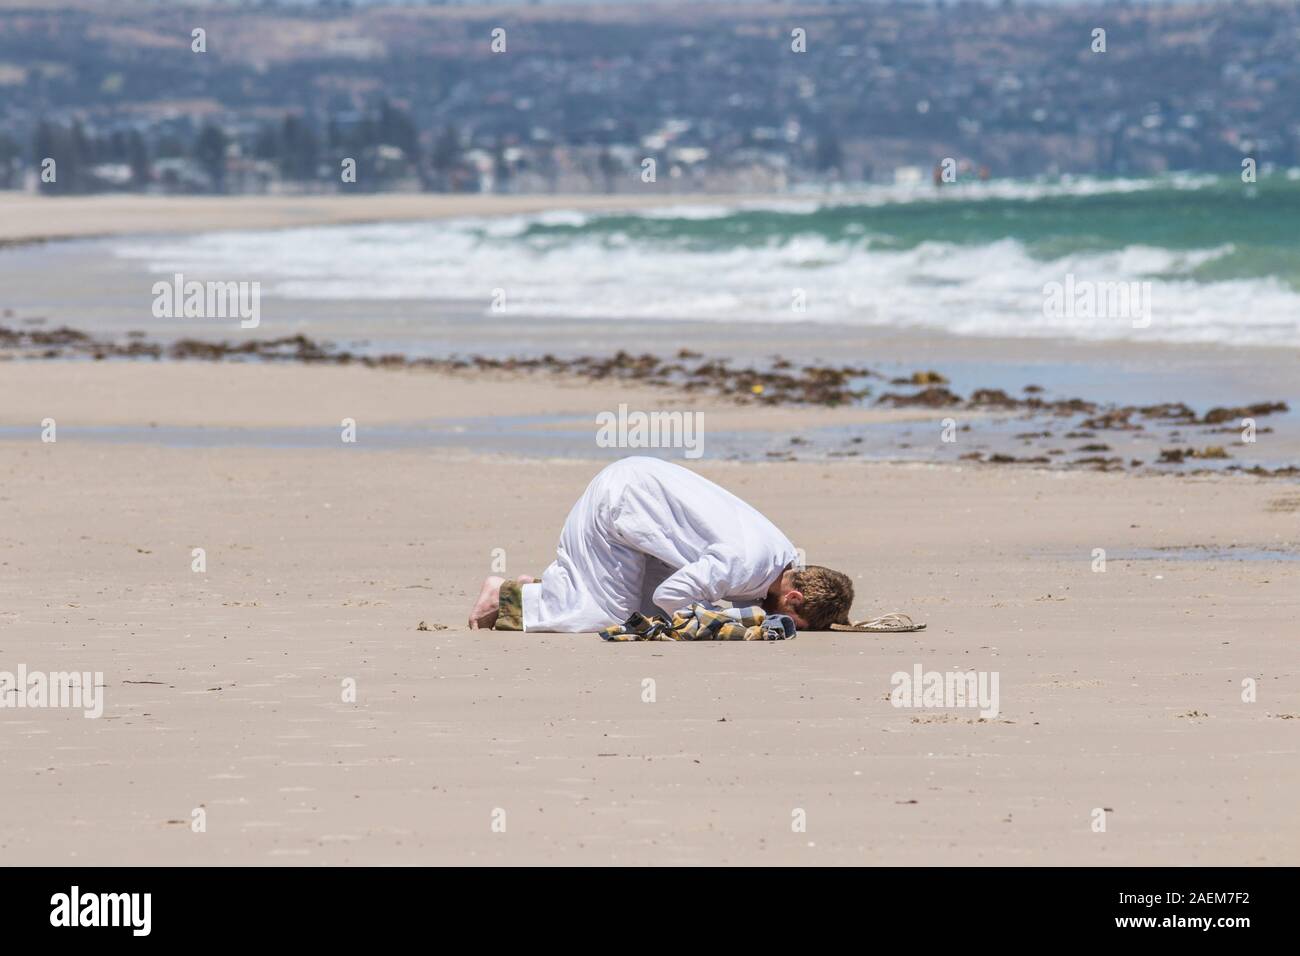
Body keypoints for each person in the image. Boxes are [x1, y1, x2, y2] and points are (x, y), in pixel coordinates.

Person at [468, 456, 854, 632]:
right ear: (795, 599)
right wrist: (735, 622)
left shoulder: (779, 556)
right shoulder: (744, 563)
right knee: (605, 616)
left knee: (643, 610)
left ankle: (545, 590)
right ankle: (505, 596)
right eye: (791, 622)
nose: (780, 623)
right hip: (620, 505)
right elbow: (674, 596)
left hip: (645, 514)